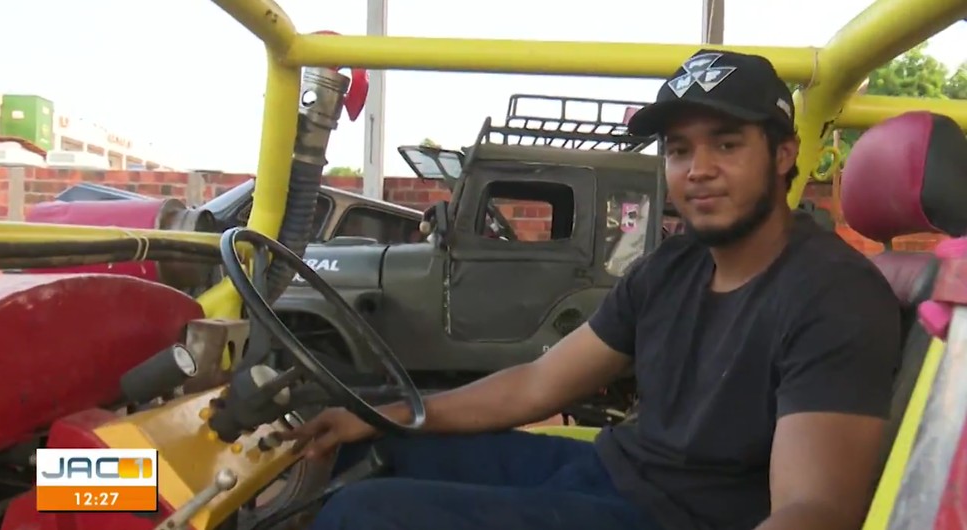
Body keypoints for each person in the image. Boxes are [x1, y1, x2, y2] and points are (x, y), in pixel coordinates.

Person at [281, 49, 902, 530]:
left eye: (728, 144)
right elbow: (537, 384)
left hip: (676, 518)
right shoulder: (675, 266)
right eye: (680, 149)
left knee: (365, 517)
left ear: (785, 154)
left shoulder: (834, 296)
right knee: (361, 454)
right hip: (606, 471)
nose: (700, 169)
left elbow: (815, 507)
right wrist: (384, 415)